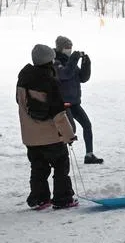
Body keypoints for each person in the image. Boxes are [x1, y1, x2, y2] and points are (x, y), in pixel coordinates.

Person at [17, 44, 78, 209]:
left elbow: (22, 106)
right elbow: (59, 114)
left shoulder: (23, 80)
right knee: (60, 166)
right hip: (51, 137)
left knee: (38, 168)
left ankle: (40, 199)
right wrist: (68, 135)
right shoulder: (50, 82)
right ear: (48, 61)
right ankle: (63, 198)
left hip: (30, 138)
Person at [52, 35, 101, 164]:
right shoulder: (55, 62)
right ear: (60, 48)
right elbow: (65, 74)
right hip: (63, 104)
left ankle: (89, 155)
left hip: (74, 102)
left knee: (87, 125)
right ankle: (60, 157)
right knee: (69, 130)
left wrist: (86, 63)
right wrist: (73, 59)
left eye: (70, 47)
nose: (69, 49)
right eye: (67, 47)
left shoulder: (70, 61)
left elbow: (83, 78)